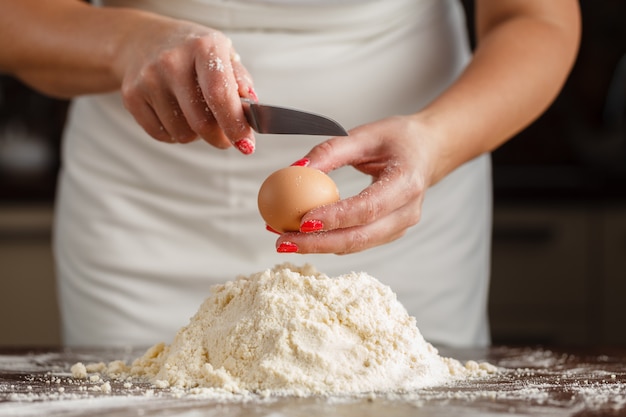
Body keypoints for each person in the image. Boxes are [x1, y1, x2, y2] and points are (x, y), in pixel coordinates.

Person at [0, 0, 580, 348]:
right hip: (143, 211)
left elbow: (538, 18)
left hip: (395, 203)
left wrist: (436, 140)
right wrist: (128, 43)